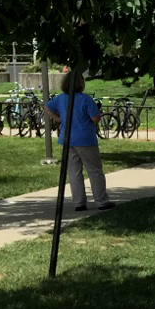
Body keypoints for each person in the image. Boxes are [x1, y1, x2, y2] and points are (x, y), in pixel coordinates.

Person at [46, 70, 113, 212]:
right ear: (80, 83)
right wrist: (99, 114)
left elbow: (47, 107)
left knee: (74, 172)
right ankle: (101, 201)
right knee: (94, 171)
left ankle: (79, 202)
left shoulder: (61, 98)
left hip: (67, 139)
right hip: (85, 139)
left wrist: (60, 119)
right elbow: (94, 118)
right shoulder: (85, 99)